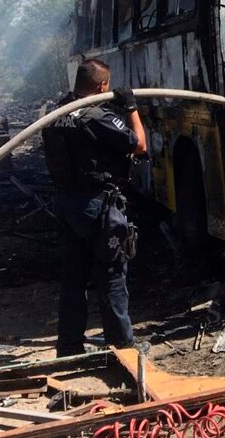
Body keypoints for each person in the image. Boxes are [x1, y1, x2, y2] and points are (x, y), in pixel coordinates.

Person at [42, 59, 148, 357]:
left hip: (66, 204)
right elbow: (139, 145)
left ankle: (69, 348)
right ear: (102, 86)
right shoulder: (97, 116)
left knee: (74, 278)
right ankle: (123, 346)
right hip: (98, 206)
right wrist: (130, 108)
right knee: (112, 274)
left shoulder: (56, 113)